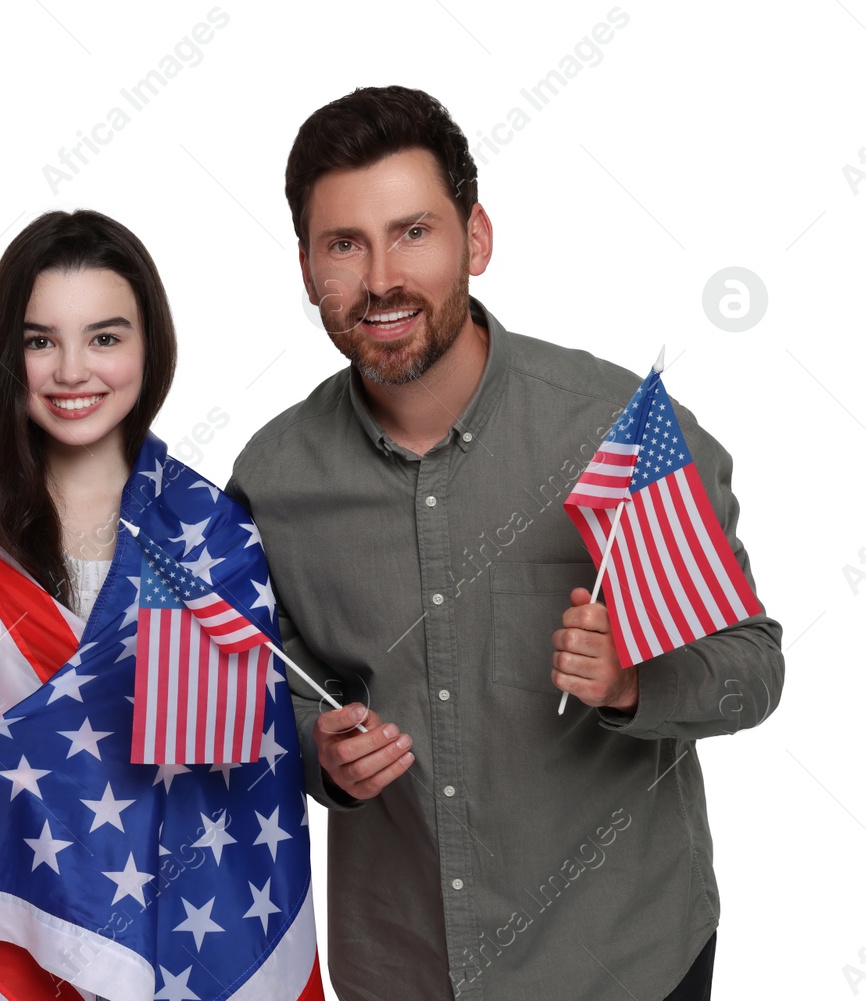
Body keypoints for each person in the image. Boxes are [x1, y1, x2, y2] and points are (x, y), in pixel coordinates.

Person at [225, 86, 784, 1001]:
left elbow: (754, 664)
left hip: (627, 964)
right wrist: (314, 753)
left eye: (413, 231)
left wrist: (634, 681)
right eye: (344, 244)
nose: (379, 280)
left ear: (475, 239)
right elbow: (256, 686)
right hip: (402, 968)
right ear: (306, 266)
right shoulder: (273, 477)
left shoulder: (619, 433)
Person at [0, 210, 324, 1000]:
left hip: (171, 928)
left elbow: (243, 790)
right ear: (10, 356)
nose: (72, 369)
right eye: (42, 340)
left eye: (105, 338)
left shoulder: (213, 531)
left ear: (151, 346)